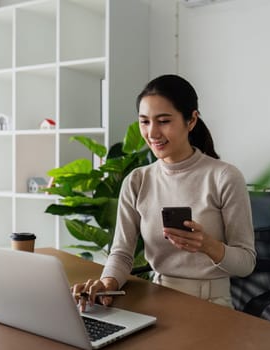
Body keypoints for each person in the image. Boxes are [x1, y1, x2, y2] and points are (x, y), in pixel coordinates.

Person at [73, 74, 255, 310]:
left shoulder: (224, 177)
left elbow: (246, 263)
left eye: (164, 121)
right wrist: (107, 282)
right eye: (144, 122)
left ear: (191, 121)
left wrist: (208, 245)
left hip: (212, 304)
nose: (152, 133)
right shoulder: (137, 180)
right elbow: (121, 253)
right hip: (157, 298)